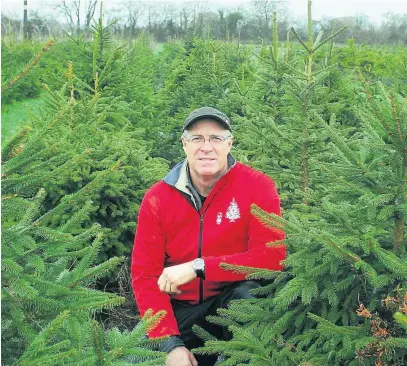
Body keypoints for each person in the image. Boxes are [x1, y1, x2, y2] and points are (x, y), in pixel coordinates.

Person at [131, 107, 286, 366]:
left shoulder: (258, 186)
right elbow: (145, 276)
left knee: (250, 297)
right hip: (180, 310)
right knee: (134, 358)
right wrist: (170, 344)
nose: (206, 147)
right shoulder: (158, 198)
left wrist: (199, 267)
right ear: (184, 144)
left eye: (215, 138)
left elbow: (272, 257)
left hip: (230, 302)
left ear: (229, 143)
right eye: (197, 138)